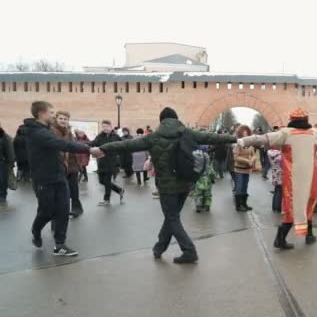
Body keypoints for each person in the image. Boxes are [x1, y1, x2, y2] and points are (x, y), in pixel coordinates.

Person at [94, 107, 236, 264]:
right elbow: (211, 137)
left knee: (172, 218)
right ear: (176, 119)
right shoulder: (187, 133)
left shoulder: (153, 137)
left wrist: (103, 148)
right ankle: (159, 247)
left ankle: (189, 251)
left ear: (161, 120)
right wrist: (235, 138)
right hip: (185, 182)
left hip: (167, 187)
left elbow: (127, 145)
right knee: (172, 218)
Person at [237, 108, 317, 249]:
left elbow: (263, 138)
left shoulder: (286, 133)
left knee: (296, 207)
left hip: (294, 179)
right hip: (310, 178)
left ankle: (306, 235)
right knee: (306, 205)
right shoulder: (314, 133)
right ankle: (284, 239)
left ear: (291, 120)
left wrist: (245, 140)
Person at [24, 101, 96, 256]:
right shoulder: (36, 132)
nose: (53, 115)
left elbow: (65, 143)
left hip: (59, 176)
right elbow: (61, 144)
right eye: (51, 112)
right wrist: (89, 149)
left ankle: (59, 245)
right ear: (42, 113)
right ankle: (36, 229)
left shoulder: (46, 129)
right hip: (44, 179)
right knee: (46, 212)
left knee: (63, 210)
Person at [51, 111, 84, 217]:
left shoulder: (69, 131)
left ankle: (77, 208)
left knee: (74, 189)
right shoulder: (52, 131)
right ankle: (58, 215)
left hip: (72, 164)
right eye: (61, 118)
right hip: (59, 165)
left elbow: (73, 146)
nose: (63, 121)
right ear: (56, 119)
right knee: (60, 191)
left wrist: (78, 164)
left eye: (65, 119)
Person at [92, 120, 124, 206]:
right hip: (101, 161)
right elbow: (93, 143)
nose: (105, 128)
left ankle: (106, 199)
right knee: (101, 181)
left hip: (111, 162)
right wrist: (83, 146)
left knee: (107, 181)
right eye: (103, 126)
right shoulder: (99, 136)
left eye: (106, 126)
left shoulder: (115, 136)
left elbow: (123, 146)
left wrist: (118, 158)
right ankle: (119, 190)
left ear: (110, 127)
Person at [233, 125, 256, 212]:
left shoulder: (250, 144)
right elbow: (236, 157)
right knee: (239, 187)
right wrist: (246, 161)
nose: (245, 134)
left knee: (245, 187)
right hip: (239, 169)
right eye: (244, 133)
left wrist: (252, 160)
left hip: (247, 169)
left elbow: (253, 154)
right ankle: (238, 206)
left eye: (247, 133)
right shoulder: (237, 144)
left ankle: (244, 204)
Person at [193, 146, 215, 213]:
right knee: (207, 195)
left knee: (198, 194)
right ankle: (207, 206)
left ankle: (198, 206)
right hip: (207, 181)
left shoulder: (196, 161)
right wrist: (213, 179)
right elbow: (212, 172)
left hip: (198, 180)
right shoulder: (208, 164)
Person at [0, 122, 15, 205]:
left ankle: (2, 196)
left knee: (2, 180)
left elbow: (10, 151)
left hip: (3, 163)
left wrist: (11, 163)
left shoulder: (5, 137)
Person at [267, 146, 283, 213]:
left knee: (276, 190)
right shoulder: (280, 154)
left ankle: (274, 207)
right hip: (281, 173)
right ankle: (278, 207)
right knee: (279, 191)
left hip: (274, 173)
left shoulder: (270, 153)